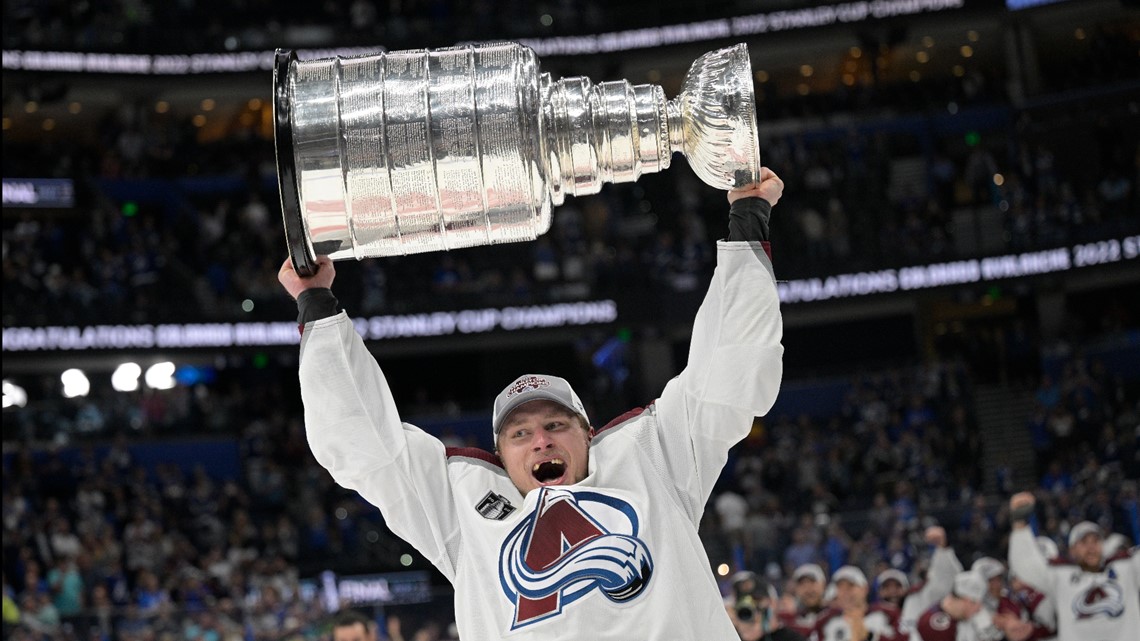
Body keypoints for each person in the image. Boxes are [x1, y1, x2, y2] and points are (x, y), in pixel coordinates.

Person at [279, 172, 785, 640]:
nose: (541, 439)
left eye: (555, 424)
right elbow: (365, 445)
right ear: (499, 457)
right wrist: (317, 306)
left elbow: (727, 373)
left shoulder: (654, 461)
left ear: (588, 434)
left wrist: (747, 219)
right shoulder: (465, 511)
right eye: (519, 434)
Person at [1007, 491, 1140, 641]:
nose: (1091, 548)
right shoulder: (1061, 576)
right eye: (1084, 542)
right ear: (1072, 550)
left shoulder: (1127, 568)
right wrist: (1019, 522)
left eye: (1095, 541)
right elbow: (1025, 566)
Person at [809, 566, 900, 641]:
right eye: (840, 588)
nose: (845, 592)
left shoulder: (888, 614)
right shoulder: (825, 620)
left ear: (865, 589)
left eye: (850, 586)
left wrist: (870, 636)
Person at [899, 526, 963, 634]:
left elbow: (950, 573)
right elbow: (906, 630)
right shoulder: (912, 597)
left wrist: (943, 547)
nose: (922, 566)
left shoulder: (937, 586)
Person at [912, 571, 1004, 641]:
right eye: (975, 603)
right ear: (963, 600)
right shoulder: (932, 622)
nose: (978, 608)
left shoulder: (965, 615)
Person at [727, 571, 806, 641]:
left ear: (773, 603)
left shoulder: (791, 638)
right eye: (743, 601)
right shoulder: (730, 636)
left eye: (757, 600)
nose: (752, 607)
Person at [781, 563, 828, 637]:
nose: (808, 590)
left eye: (812, 582)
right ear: (796, 589)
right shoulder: (791, 623)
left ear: (824, 585)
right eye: (802, 584)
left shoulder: (836, 615)